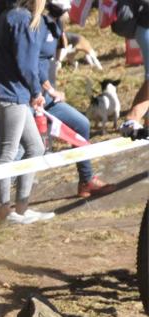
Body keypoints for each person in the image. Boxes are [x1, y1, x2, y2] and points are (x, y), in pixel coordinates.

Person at [0, 0, 52, 223]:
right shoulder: (22, 18)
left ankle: (22, 207)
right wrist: (36, 90)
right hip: (10, 93)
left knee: (35, 147)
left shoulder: (9, 15)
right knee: (8, 151)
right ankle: (2, 210)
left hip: (12, 93)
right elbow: (26, 62)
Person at [40, 0, 115, 198]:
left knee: (81, 124)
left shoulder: (54, 23)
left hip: (49, 99)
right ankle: (3, 203)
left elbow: (60, 47)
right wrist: (46, 87)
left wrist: (57, 63)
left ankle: (86, 180)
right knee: (27, 149)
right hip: (29, 98)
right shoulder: (32, 25)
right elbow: (26, 65)